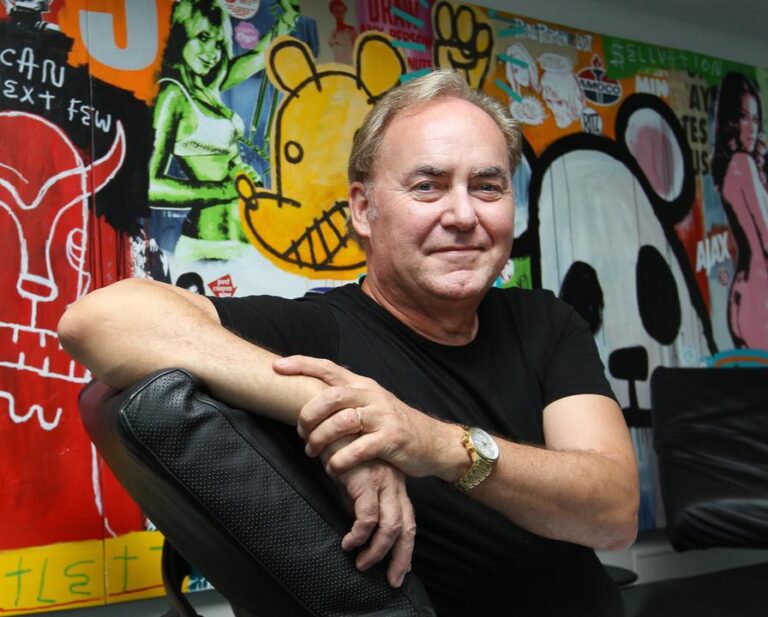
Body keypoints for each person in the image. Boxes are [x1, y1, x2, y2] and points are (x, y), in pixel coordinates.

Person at [59, 70, 638, 616]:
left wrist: (435, 443)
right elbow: (98, 322)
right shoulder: (317, 334)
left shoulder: (545, 322)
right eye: (428, 186)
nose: (463, 215)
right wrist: (348, 419)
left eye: (487, 187)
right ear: (363, 209)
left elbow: (613, 514)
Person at [148, 0, 298, 261]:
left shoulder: (212, 86)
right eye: (203, 37)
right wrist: (223, 190)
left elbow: (259, 55)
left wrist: (288, 14)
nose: (212, 53)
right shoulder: (174, 96)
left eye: (218, 44)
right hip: (208, 246)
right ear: (182, 34)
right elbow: (150, 186)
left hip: (248, 242)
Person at [712, 72, 768, 348]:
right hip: (760, 297)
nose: (752, 128)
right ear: (731, 121)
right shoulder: (743, 164)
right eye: (745, 117)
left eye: (756, 119)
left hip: (749, 292)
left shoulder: (735, 166)